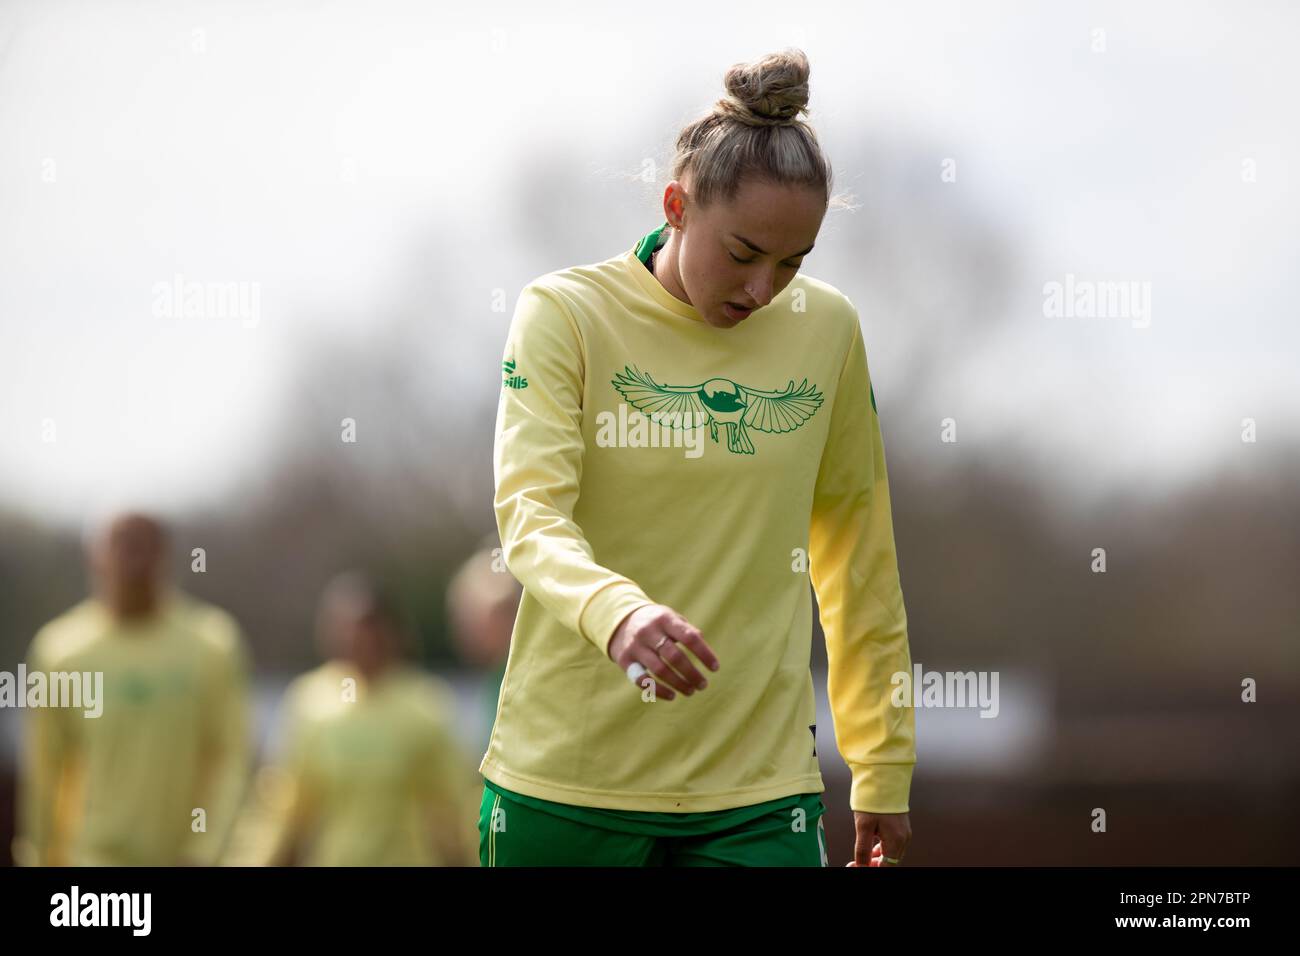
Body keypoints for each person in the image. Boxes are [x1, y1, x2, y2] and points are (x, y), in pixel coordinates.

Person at [480, 48, 915, 867]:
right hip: (564, 789)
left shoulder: (829, 331)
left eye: (793, 263)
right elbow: (530, 517)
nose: (763, 291)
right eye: (745, 253)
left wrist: (882, 765)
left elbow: (859, 560)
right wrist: (620, 613)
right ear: (677, 205)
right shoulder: (565, 314)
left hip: (758, 799)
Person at [13, 511, 252, 866]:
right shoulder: (61, 650)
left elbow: (232, 757)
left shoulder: (212, 643)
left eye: (147, 545)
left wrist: (206, 850)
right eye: (122, 544)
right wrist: (41, 854)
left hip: (182, 859)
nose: (135, 558)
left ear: (166, 556)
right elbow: (45, 765)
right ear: (95, 555)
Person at [225, 571, 479, 866]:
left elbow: (456, 811)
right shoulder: (311, 702)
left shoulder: (425, 704)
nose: (359, 640)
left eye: (369, 628)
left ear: (392, 633)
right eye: (347, 628)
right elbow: (282, 809)